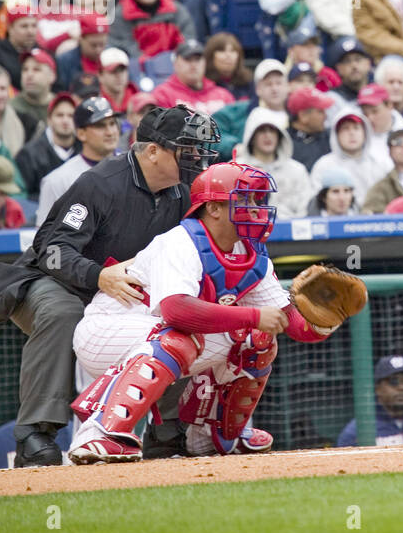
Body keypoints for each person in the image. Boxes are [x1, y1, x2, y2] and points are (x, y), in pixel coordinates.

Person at [0, 107, 220, 466]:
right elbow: (51, 250)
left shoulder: (184, 191)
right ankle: (35, 433)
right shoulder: (100, 183)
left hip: (121, 289)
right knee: (64, 314)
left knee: (178, 313)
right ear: (153, 151)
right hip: (55, 281)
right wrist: (98, 276)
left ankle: (166, 430)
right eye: (186, 149)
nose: (197, 158)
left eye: (198, 149)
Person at [66, 162, 344, 462]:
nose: (255, 209)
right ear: (213, 208)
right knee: (181, 338)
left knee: (257, 340)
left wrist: (326, 319)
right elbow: (176, 311)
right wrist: (253, 316)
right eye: (244, 199)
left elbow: (293, 325)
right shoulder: (179, 242)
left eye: (257, 200)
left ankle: (212, 436)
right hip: (106, 331)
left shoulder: (249, 252)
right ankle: (100, 432)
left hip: (155, 337)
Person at [35, 97, 122, 226]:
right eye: (100, 126)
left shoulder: (135, 168)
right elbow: (44, 234)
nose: (110, 132)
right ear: (81, 133)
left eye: (112, 123)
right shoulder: (57, 181)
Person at [235, 107, 312, 218]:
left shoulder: (297, 170)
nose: (268, 135)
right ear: (251, 136)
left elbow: (305, 209)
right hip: (248, 227)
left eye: (272, 130)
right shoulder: (237, 169)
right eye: (262, 131)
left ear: (279, 135)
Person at [15, 92, 79, 196]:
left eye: (71, 116)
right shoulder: (29, 155)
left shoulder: (86, 150)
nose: (65, 120)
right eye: (59, 115)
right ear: (49, 119)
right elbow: (22, 196)